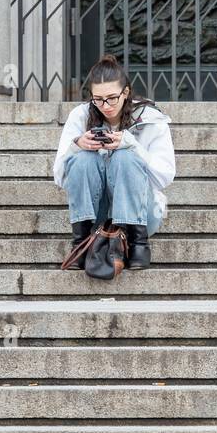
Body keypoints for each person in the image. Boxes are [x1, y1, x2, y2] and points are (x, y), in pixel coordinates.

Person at [52, 54, 176, 275]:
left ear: (126, 92)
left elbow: (164, 177)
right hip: (96, 216)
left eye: (111, 98)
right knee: (82, 158)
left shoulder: (150, 118)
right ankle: (80, 242)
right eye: (97, 99)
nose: (105, 106)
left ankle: (139, 245)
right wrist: (77, 145)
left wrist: (132, 145)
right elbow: (60, 178)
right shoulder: (80, 116)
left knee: (125, 156)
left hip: (142, 215)